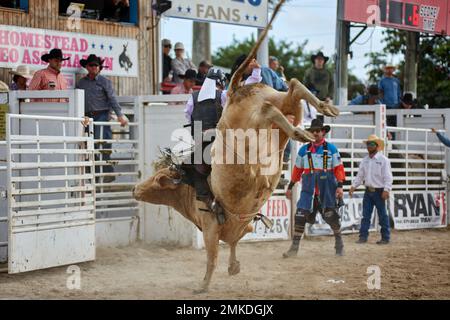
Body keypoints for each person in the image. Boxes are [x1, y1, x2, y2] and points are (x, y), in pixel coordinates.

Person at [182, 63, 262, 223]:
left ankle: (209, 201)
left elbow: (188, 117)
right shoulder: (224, 95)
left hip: (201, 144)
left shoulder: (193, 97)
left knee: (189, 170)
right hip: (222, 142)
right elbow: (247, 89)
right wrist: (256, 71)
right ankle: (251, 202)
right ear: (221, 82)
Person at [283, 118, 346, 258]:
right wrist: (290, 186)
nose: (315, 133)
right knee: (300, 216)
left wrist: (340, 186)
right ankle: (294, 249)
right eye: (313, 131)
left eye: (318, 131)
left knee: (332, 217)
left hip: (327, 189)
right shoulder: (304, 150)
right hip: (308, 189)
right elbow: (297, 170)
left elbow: (338, 168)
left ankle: (339, 243)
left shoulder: (331, 149)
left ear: (323, 132)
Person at [76, 54, 128, 183]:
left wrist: (120, 115)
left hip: (102, 114)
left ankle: (106, 170)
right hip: (86, 116)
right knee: (88, 143)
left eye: (96, 65)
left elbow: (112, 99)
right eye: (91, 65)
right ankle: (93, 172)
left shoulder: (105, 82)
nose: (94, 67)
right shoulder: (81, 83)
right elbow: (77, 100)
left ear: (99, 67)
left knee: (104, 141)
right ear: (87, 67)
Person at [349, 134, 393, 244]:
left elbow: (388, 177)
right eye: (368, 144)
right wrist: (353, 186)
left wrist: (386, 189)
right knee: (366, 215)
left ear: (377, 146)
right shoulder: (365, 160)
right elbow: (360, 175)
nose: (369, 146)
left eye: (372, 144)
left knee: (382, 215)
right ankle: (363, 237)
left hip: (379, 191)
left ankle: (385, 237)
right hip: (368, 191)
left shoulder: (384, 160)